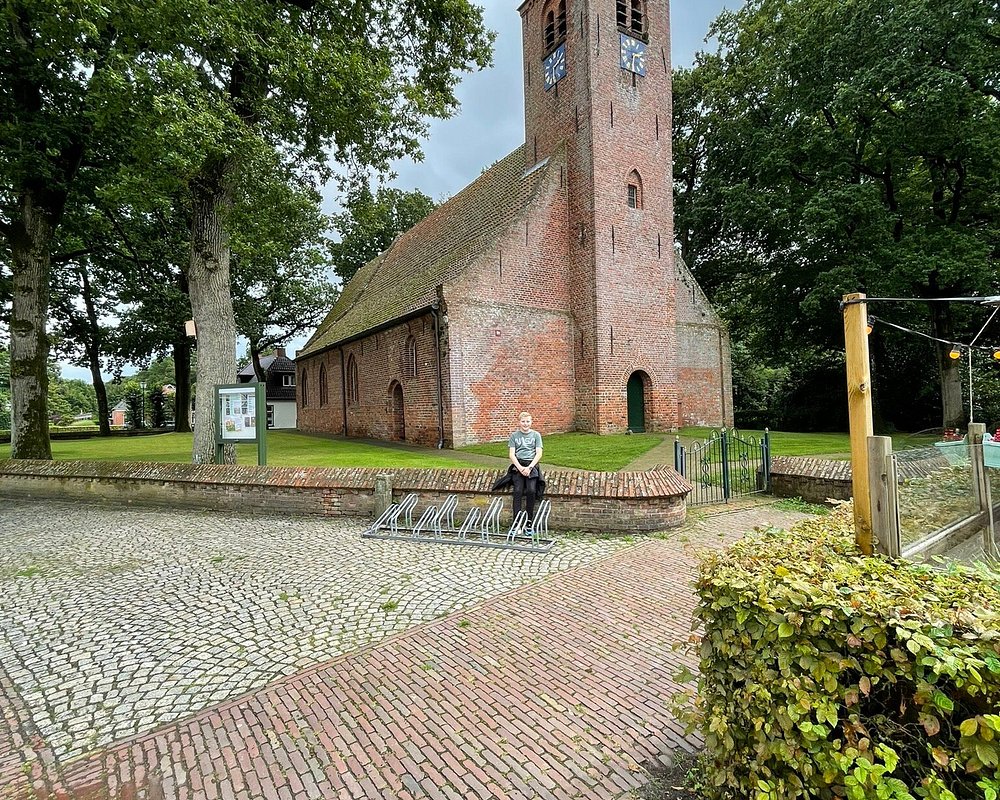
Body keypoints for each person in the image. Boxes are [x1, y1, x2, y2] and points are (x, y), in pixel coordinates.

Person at [508, 411, 543, 527]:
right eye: (523, 421)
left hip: (531, 465)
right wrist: (520, 468)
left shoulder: (536, 435)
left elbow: (539, 453)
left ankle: (529, 521)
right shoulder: (514, 436)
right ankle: (516, 522)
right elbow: (512, 454)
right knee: (517, 491)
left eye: (528, 421)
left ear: (531, 422)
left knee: (531, 491)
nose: (525, 424)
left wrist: (529, 467)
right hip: (518, 466)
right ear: (519, 422)